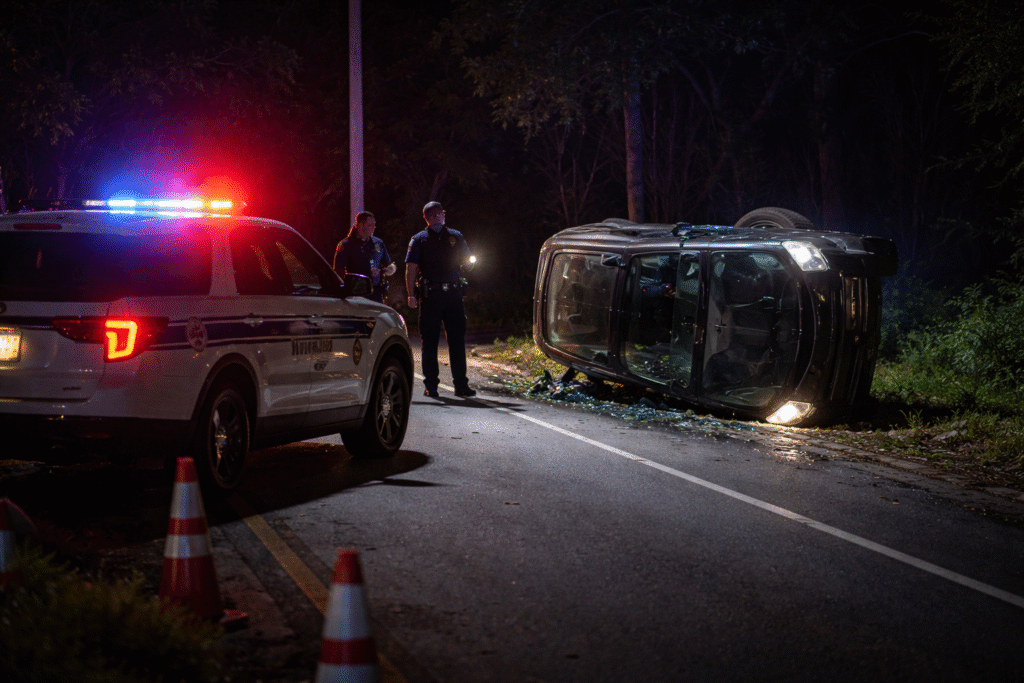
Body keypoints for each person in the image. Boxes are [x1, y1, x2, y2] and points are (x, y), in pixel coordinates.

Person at [405, 201, 476, 398]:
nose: (440, 217)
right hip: (440, 295)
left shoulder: (420, 239)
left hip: (438, 296)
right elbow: (468, 262)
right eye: (439, 214)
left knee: (434, 342)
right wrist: (411, 293)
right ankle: (458, 386)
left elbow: (410, 269)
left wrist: (411, 294)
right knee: (449, 341)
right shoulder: (427, 239)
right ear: (440, 215)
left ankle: (435, 387)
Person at [332, 211, 396, 303]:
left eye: (374, 225)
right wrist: (347, 286)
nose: (374, 227)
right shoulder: (346, 245)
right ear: (361, 226)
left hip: (376, 293)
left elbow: (389, 265)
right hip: (356, 294)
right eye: (370, 225)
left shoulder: (378, 243)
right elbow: (338, 269)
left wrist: (385, 270)